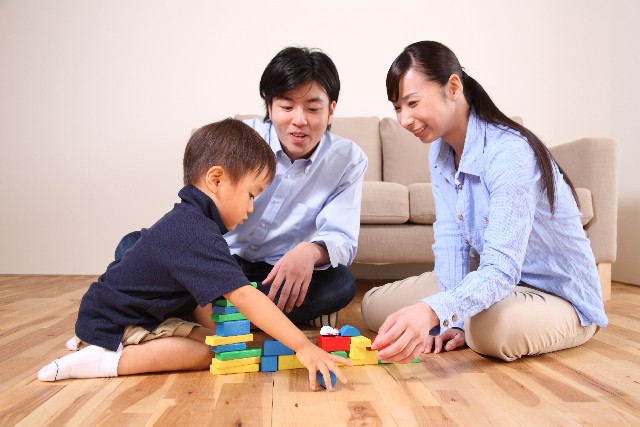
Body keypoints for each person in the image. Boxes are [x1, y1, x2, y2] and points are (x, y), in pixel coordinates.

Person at [38, 119, 350, 390]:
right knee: (207, 354)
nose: (251, 208)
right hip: (115, 325)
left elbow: (201, 296)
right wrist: (302, 346)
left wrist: (220, 334)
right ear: (216, 180)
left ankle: (98, 346)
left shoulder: (193, 222)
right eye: (251, 195)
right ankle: (104, 360)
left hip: (129, 317)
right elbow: (244, 295)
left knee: (217, 342)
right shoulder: (194, 232)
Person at [363, 41, 608, 363]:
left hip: (555, 296)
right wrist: (451, 321)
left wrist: (436, 313)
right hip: (499, 284)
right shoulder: (440, 152)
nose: (404, 119)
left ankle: (476, 318)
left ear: (453, 87)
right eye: (397, 108)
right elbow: (451, 242)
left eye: (412, 102)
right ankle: (466, 316)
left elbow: (502, 268)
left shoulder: (510, 152)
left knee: (486, 330)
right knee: (375, 307)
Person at [116, 47, 368, 328]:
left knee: (341, 284)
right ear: (270, 106)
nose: (299, 120)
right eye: (286, 107)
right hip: (214, 258)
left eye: (312, 108)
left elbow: (341, 237)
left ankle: (203, 310)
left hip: (275, 272)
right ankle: (246, 314)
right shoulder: (238, 139)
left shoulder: (348, 160)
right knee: (132, 246)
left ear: (331, 110)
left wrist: (310, 252)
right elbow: (197, 207)